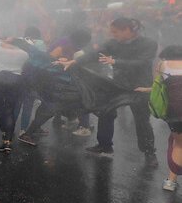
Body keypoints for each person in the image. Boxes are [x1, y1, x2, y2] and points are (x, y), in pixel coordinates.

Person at [68, 18, 159, 166]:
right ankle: (104, 145)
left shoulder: (148, 44)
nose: (112, 34)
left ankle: (150, 153)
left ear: (127, 30)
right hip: (118, 84)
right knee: (105, 112)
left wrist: (116, 62)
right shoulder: (112, 43)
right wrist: (75, 62)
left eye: (115, 32)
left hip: (140, 87)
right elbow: (95, 54)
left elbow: (142, 62)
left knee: (142, 120)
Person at [150, 45, 182, 191]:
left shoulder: (163, 65)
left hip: (176, 113)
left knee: (179, 145)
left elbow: (158, 85)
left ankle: (171, 182)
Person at [0, 38, 30, 154]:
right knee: (9, 110)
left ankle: (3, 132)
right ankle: (8, 140)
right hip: (15, 80)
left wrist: (6, 40)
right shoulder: (24, 54)